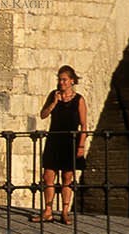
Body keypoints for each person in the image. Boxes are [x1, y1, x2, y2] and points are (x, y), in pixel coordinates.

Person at [32, 65, 88, 223]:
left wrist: (81, 146)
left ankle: (64, 211)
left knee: (67, 177)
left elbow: (84, 125)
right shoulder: (53, 95)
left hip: (70, 141)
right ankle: (48, 211)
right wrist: (54, 103)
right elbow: (43, 115)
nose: (61, 82)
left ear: (72, 81)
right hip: (54, 139)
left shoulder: (79, 100)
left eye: (64, 80)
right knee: (48, 176)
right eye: (59, 79)